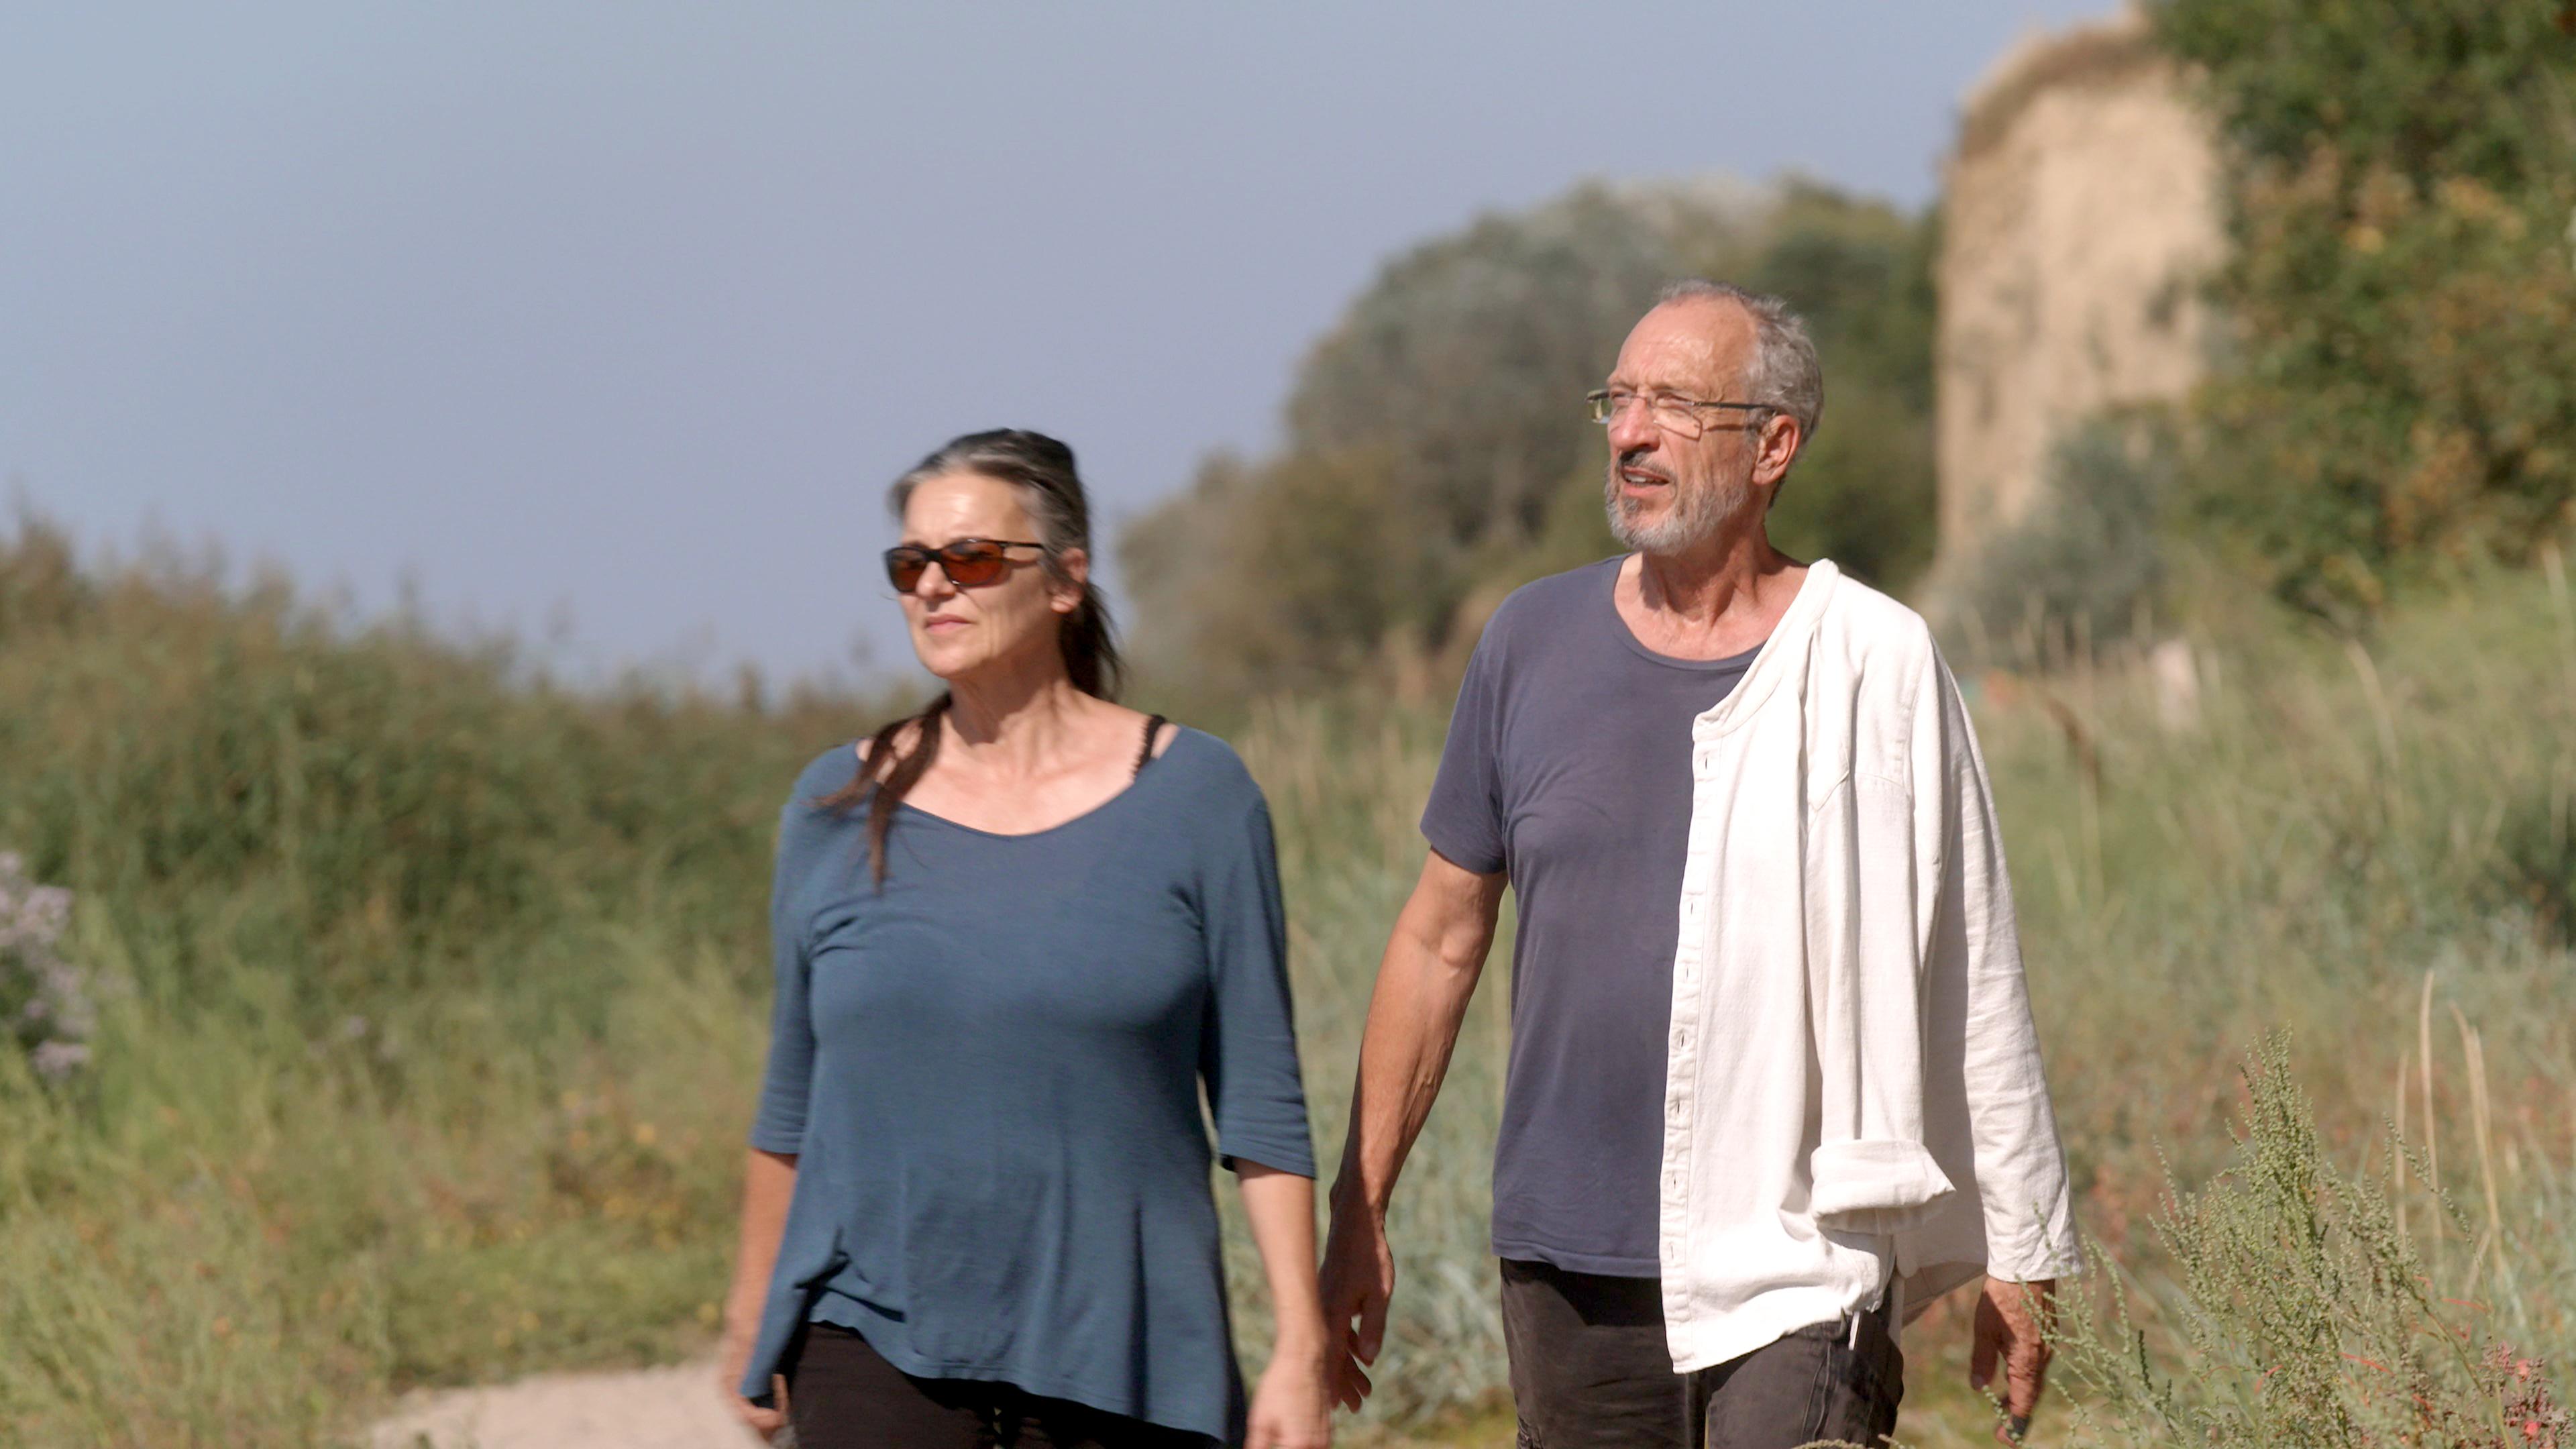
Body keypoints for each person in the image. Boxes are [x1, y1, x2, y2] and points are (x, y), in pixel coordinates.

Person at [1316, 282, 2081, 1448]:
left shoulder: (1875, 660)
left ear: (1774, 444)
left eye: (1674, 404)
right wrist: (1359, 1206)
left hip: (1802, 1250)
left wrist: (2023, 1243)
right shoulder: (1530, 641)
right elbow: (1439, 937)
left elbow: (1969, 954)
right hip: (1565, 1261)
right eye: (1618, 401)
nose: (1629, 435)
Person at [720, 429, 1332, 1449]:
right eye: (909, 565)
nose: (932, 588)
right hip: (868, 1340)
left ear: (1065, 582)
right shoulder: (835, 804)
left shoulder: (1196, 798)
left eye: (968, 560)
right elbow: (794, 1096)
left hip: (1129, 1353)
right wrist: (752, 1318)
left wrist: (1299, 1353)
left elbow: (1262, 1108)